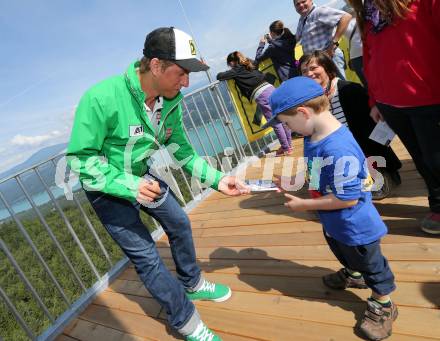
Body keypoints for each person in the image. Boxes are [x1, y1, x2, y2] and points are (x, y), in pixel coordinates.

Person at [67, 27, 250, 341]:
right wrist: (127, 185)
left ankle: (191, 285)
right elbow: (80, 160)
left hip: (142, 176)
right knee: (147, 256)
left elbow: (181, 150)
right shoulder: (100, 98)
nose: (186, 82)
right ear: (155, 66)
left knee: (178, 222)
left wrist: (218, 180)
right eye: (181, 73)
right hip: (106, 188)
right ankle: (187, 322)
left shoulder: (171, 102)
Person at [265, 76, 398, 341]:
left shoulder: (337, 147)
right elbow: (319, 174)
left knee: (372, 265)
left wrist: (305, 204)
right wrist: (294, 182)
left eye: (288, 124)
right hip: (334, 222)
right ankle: (354, 273)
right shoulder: (315, 136)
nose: (289, 130)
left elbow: (348, 198)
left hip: (355, 225)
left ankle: (384, 303)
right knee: (343, 251)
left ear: (303, 113)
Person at [348, 0, 440, 234]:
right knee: (421, 160)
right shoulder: (368, 14)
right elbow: (369, 60)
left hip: (428, 98)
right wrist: (374, 100)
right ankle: (437, 204)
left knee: (435, 157)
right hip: (391, 104)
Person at [298, 51, 401, 199]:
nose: (309, 73)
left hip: (366, 154)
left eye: (314, 68)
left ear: (327, 68)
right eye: (304, 71)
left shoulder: (350, 90)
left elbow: (376, 129)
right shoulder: (309, 102)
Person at [217, 51, 292, 156]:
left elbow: (220, 76)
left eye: (229, 65)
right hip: (270, 88)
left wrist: (230, 71)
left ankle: (286, 148)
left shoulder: (236, 70)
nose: (230, 67)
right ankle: (289, 145)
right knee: (282, 118)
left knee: (275, 122)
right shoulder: (250, 64)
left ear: (232, 62)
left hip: (261, 94)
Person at [293, 0, 352, 80]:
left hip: (329, 57)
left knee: (340, 87)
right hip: (316, 62)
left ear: (310, 1)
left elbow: (346, 17)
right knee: (329, 89)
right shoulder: (302, 20)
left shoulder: (319, 11)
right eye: (297, 4)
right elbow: (297, 37)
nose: (300, 5)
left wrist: (334, 43)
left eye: (303, 1)